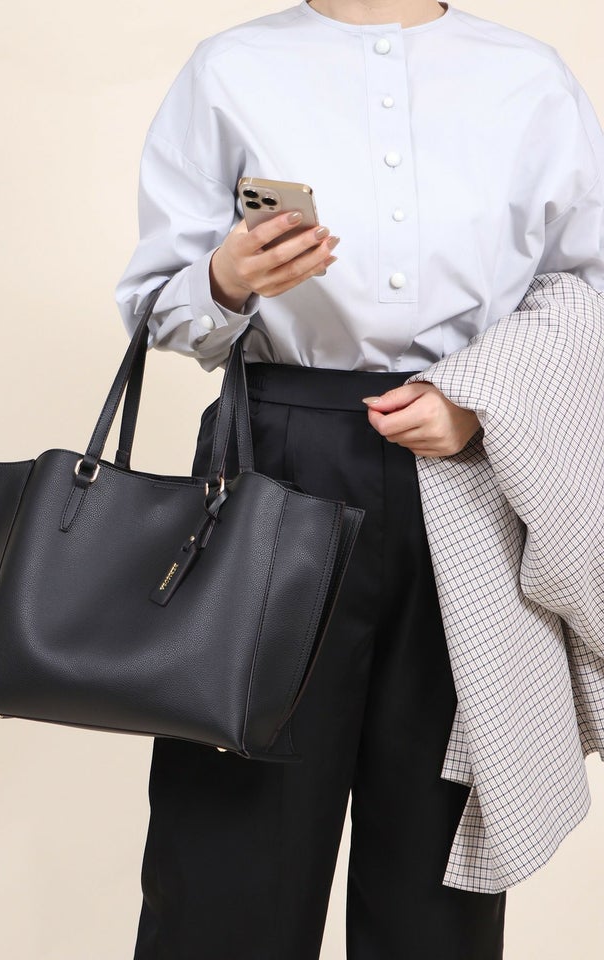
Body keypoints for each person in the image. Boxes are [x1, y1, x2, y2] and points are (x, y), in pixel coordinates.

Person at [114, 1, 604, 957]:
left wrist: (476, 400)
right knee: (227, 868)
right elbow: (157, 303)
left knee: (436, 883)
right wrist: (228, 277)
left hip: (467, 477)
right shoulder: (232, 66)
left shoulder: (528, 76)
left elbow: (584, 291)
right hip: (273, 464)